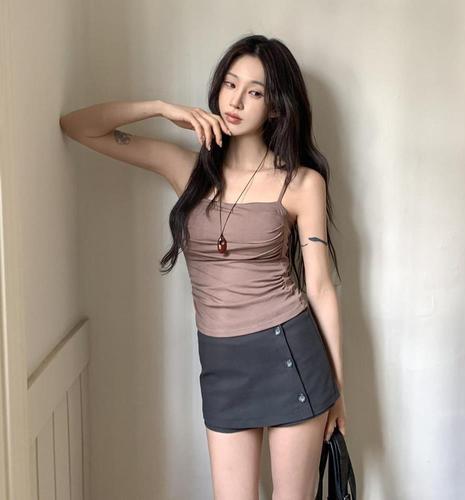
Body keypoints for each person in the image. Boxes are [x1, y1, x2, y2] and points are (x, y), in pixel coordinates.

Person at [60, 33, 347, 500]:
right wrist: (160, 108)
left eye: (255, 91)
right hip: (221, 363)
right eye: (230, 84)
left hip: (290, 354)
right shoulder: (187, 170)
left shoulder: (301, 183)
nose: (236, 100)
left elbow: (319, 287)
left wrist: (337, 389)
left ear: (275, 107)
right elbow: (77, 126)